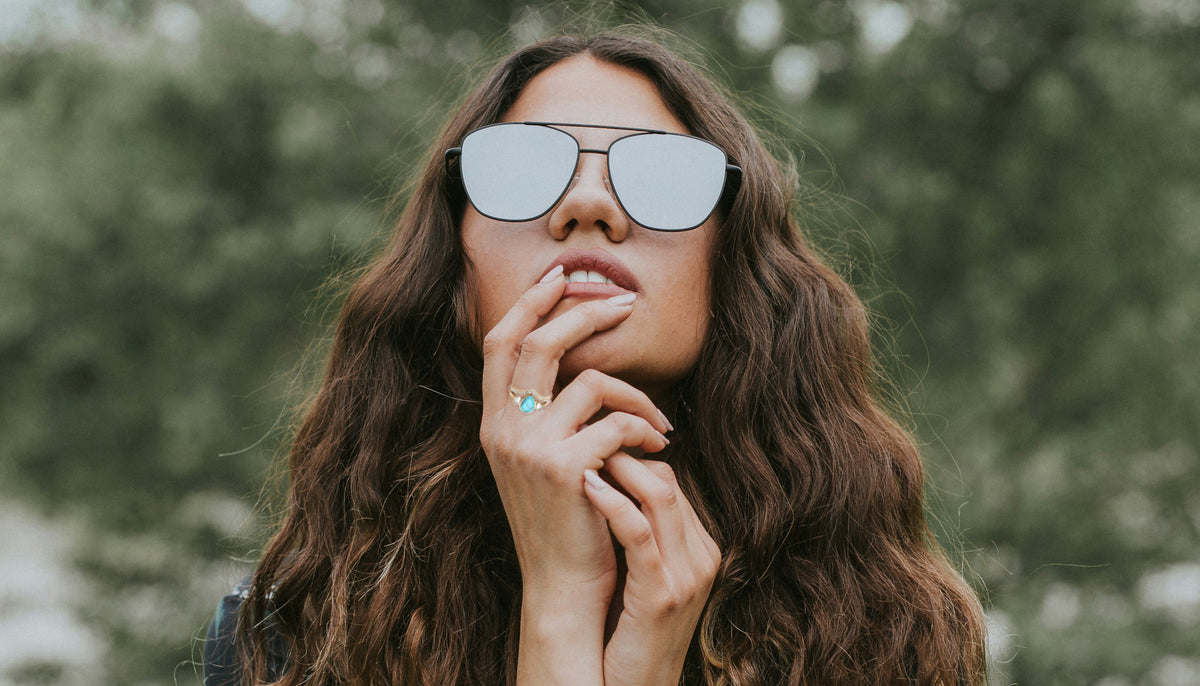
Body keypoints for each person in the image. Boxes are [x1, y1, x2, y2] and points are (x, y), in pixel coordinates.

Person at [203, 30, 987, 686]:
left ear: (734, 262)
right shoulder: (291, 630)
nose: (589, 205)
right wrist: (563, 601)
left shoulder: (885, 636)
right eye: (520, 168)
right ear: (453, 259)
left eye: (664, 176)